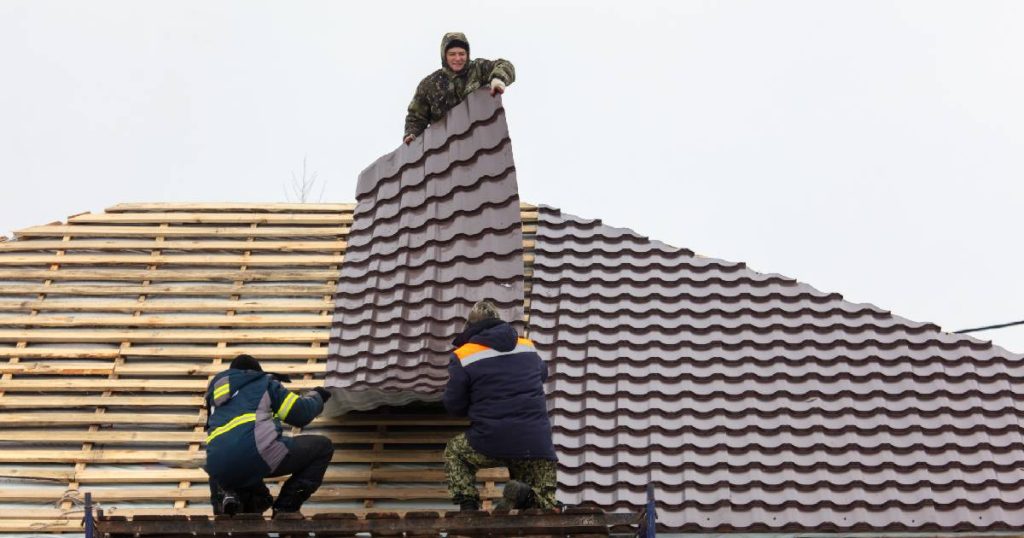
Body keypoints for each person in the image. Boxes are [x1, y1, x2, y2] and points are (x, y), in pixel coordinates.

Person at [442, 300, 558, 511]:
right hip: (536, 443)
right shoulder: (527, 346)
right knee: (545, 505)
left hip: (490, 439)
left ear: (470, 326)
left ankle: (468, 504)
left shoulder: (464, 355)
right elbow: (542, 374)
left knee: (454, 453)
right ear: (499, 322)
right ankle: (526, 497)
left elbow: (454, 405)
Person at [203, 354, 334, 517]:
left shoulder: (214, 396)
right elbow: (300, 413)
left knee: (257, 494)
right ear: (255, 372)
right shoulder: (263, 383)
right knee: (322, 447)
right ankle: (286, 507)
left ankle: (229, 498)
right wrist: (318, 396)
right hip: (258, 455)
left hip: (218, 468)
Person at [404, 32, 516, 144]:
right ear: (444, 56)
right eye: (452, 54)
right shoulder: (429, 84)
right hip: (444, 147)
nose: (457, 58)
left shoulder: (478, 69)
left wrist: (498, 80)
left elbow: (505, 65)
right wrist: (412, 134)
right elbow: (416, 117)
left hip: (480, 138)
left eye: (461, 54)